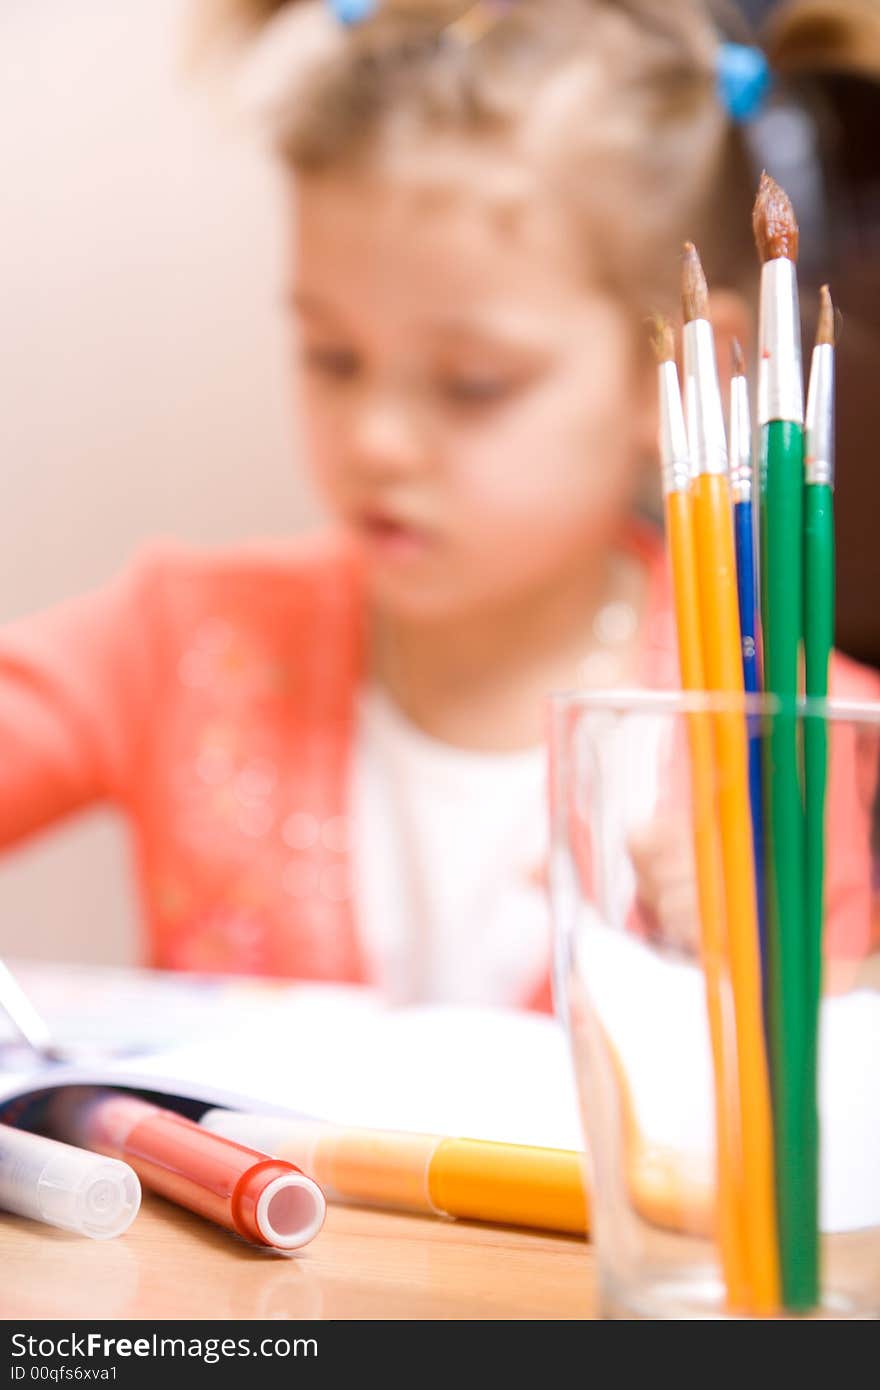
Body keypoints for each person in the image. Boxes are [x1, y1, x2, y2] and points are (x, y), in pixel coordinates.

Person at [0, 0, 874, 1006]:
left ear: (679, 372)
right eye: (334, 358)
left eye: (471, 381)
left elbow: (826, 1088)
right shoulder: (179, 637)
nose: (373, 437)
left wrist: (750, 957)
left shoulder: (788, 712)